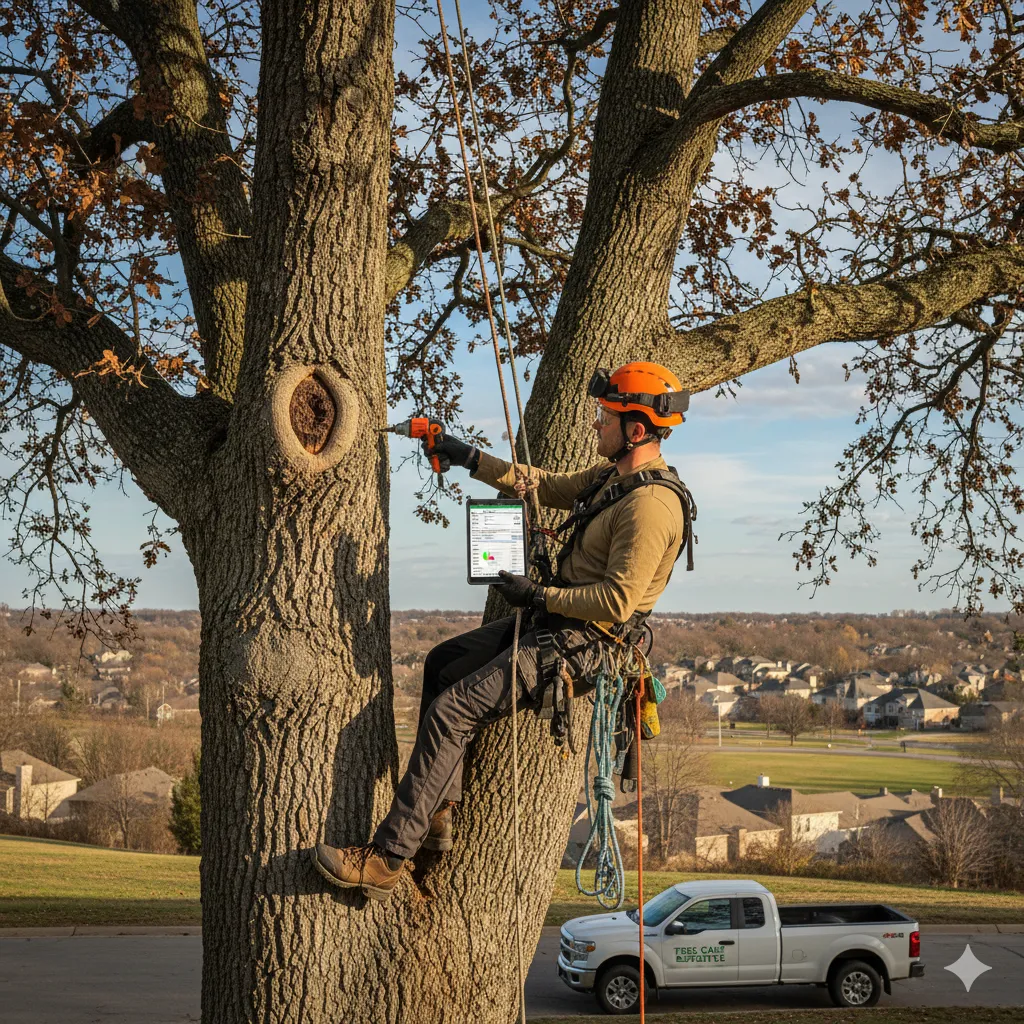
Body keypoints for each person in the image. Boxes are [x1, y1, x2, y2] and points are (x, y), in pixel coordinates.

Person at [313, 362, 694, 899]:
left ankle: (387, 858)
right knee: (442, 664)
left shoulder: (651, 506)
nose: (595, 426)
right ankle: (437, 814)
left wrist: (539, 595)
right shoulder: (615, 478)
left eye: (604, 418)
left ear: (635, 429)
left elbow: (616, 600)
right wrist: (468, 456)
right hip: (553, 624)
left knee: (454, 710)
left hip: (582, 645)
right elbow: (546, 486)